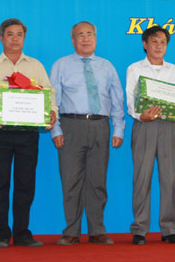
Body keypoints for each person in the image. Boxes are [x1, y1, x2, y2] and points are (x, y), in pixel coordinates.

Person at [0, 18, 57, 248]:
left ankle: (22, 233)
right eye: (10, 34)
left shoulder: (35, 66)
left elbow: (49, 95)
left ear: (24, 38)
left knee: (25, 184)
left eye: (19, 34)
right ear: (1, 37)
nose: (15, 38)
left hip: (28, 134)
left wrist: (52, 112)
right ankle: (1, 234)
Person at [126, 25, 175, 245]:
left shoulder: (174, 71)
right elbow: (131, 100)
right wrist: (142, 115)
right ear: (145, 44)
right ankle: (139, 229)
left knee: (169, 178)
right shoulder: (134, 69)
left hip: (169, 127)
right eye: (154, 42)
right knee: (142, 178)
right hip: (144, 126)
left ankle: (169, 228)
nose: (159, 46)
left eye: (163, 42)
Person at [49, 21, 125, 246]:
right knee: (70, 181)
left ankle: (97, 230)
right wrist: (55, 130)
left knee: (97, 181)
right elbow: (52, 99)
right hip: (71, 126)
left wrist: (118, 128)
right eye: (80, 35)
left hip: (100, 125)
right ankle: (71, 231)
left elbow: (117, 98)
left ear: (96, 38)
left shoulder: (106, 66)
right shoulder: (61, 65)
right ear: (73, 40)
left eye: (89, 34)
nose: (85, 38)